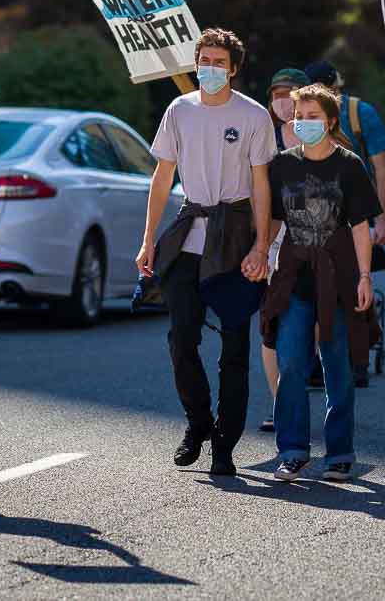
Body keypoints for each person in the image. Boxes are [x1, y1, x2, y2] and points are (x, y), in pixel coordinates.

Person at [135, 28, 275, 477]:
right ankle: (198, 423)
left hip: (234, 239)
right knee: (181, 339)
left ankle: (225, 445)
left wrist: (261, 246)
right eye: (204, 61)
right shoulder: (179, 110)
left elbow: (260, 184)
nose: (210, 69)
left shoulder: (253, 116)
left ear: (233, 69)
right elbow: (162, 177)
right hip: (189, 235)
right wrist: (147, 239)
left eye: (219, 62)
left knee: (234, 348)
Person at [261, 84, 380, 482]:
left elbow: (361, 226)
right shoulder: (281, 166)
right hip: (293, 274)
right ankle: (293, 450)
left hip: (341, 277)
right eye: (299, 116)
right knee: (291, 362)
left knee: (338, 367)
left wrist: (365, 276)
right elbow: (274, 219)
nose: (304, 123)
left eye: (313, 117)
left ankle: (339, 453)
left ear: (330, 121)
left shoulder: (350, 166)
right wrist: (259, 252)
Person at [304, 60, 385, 387]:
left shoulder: (359, 113)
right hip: (314, 216)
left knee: (353, 284)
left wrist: (382, 218)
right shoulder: (301, 116)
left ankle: (357, 356)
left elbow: (381, 166)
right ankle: (318, 358)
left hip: (355, 212)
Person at [259, 65, 310, 432]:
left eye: (289, 93)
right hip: (275, 241)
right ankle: (281, 405)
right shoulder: (262, 135)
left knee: (317, 327)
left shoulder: (325, 135)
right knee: (272, 323)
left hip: (318, 244)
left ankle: (314, 399)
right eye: (276, 94)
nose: (282, 102)